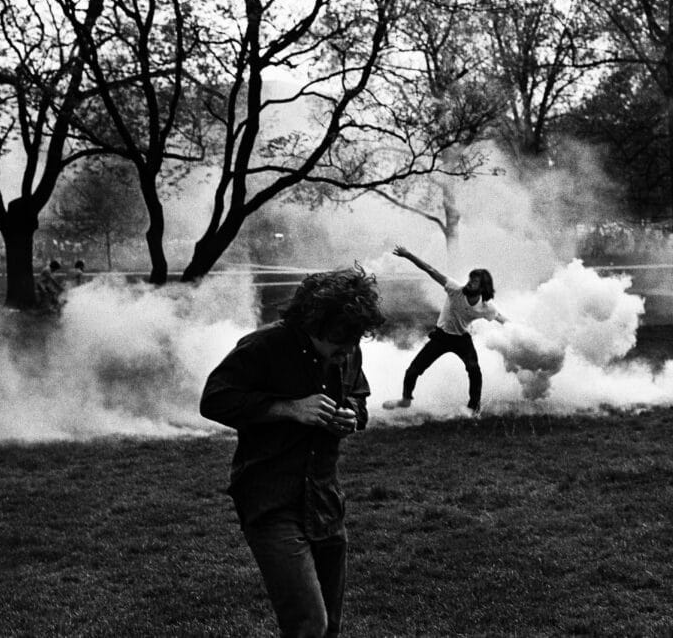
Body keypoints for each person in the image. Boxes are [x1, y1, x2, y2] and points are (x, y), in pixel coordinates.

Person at [200, 266, 385, 638]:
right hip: (270, 501)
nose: (348, 349)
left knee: (329, 626)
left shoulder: (348, 347)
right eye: (340, 339)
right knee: (308, 623)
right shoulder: (264, 346)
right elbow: (215, 400)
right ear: (313, 322)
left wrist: (352, 415)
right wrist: (289, 408)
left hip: (325, 500)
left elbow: (360, 395)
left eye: (354, 340)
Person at [388, 245, 507, 415]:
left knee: (474, 370)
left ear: (482, 288)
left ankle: (474, 407)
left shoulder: (486, 306)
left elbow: (501, 318)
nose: (469, 283)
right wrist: (408, 255)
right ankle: (406, 399)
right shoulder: (455, 289)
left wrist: (519, 331)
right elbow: (430, 270)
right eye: (470, 279)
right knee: (413, 370)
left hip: (462, 340)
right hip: (441, 338)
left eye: (474, 282)